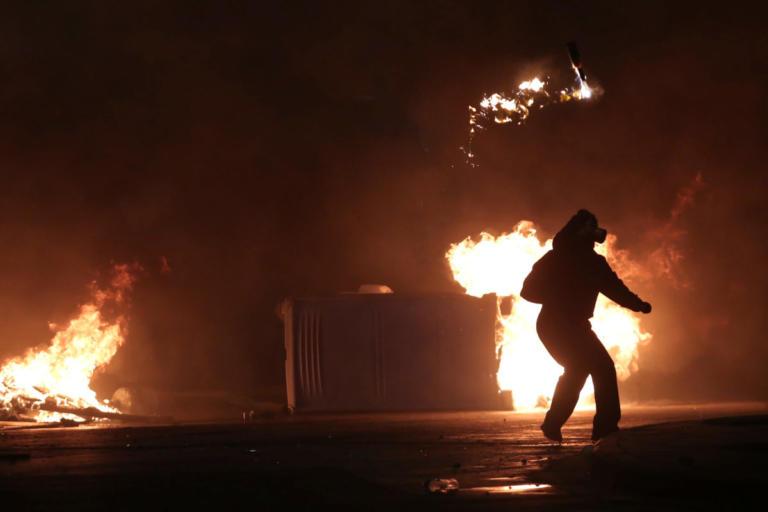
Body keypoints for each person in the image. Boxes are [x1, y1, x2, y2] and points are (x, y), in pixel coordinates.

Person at [521, 210, 652, 443]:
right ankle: (602, 428)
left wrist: (637, 304)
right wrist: (556, 293)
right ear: (578, 231)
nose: (594, 232)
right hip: (554, 324)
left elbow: (615, 288)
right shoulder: (554, 259)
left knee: (584, 369)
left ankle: (558, 424)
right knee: (593, 367)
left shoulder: (594, 263)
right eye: (589, 226)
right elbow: (527, 291)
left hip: (578, 325)